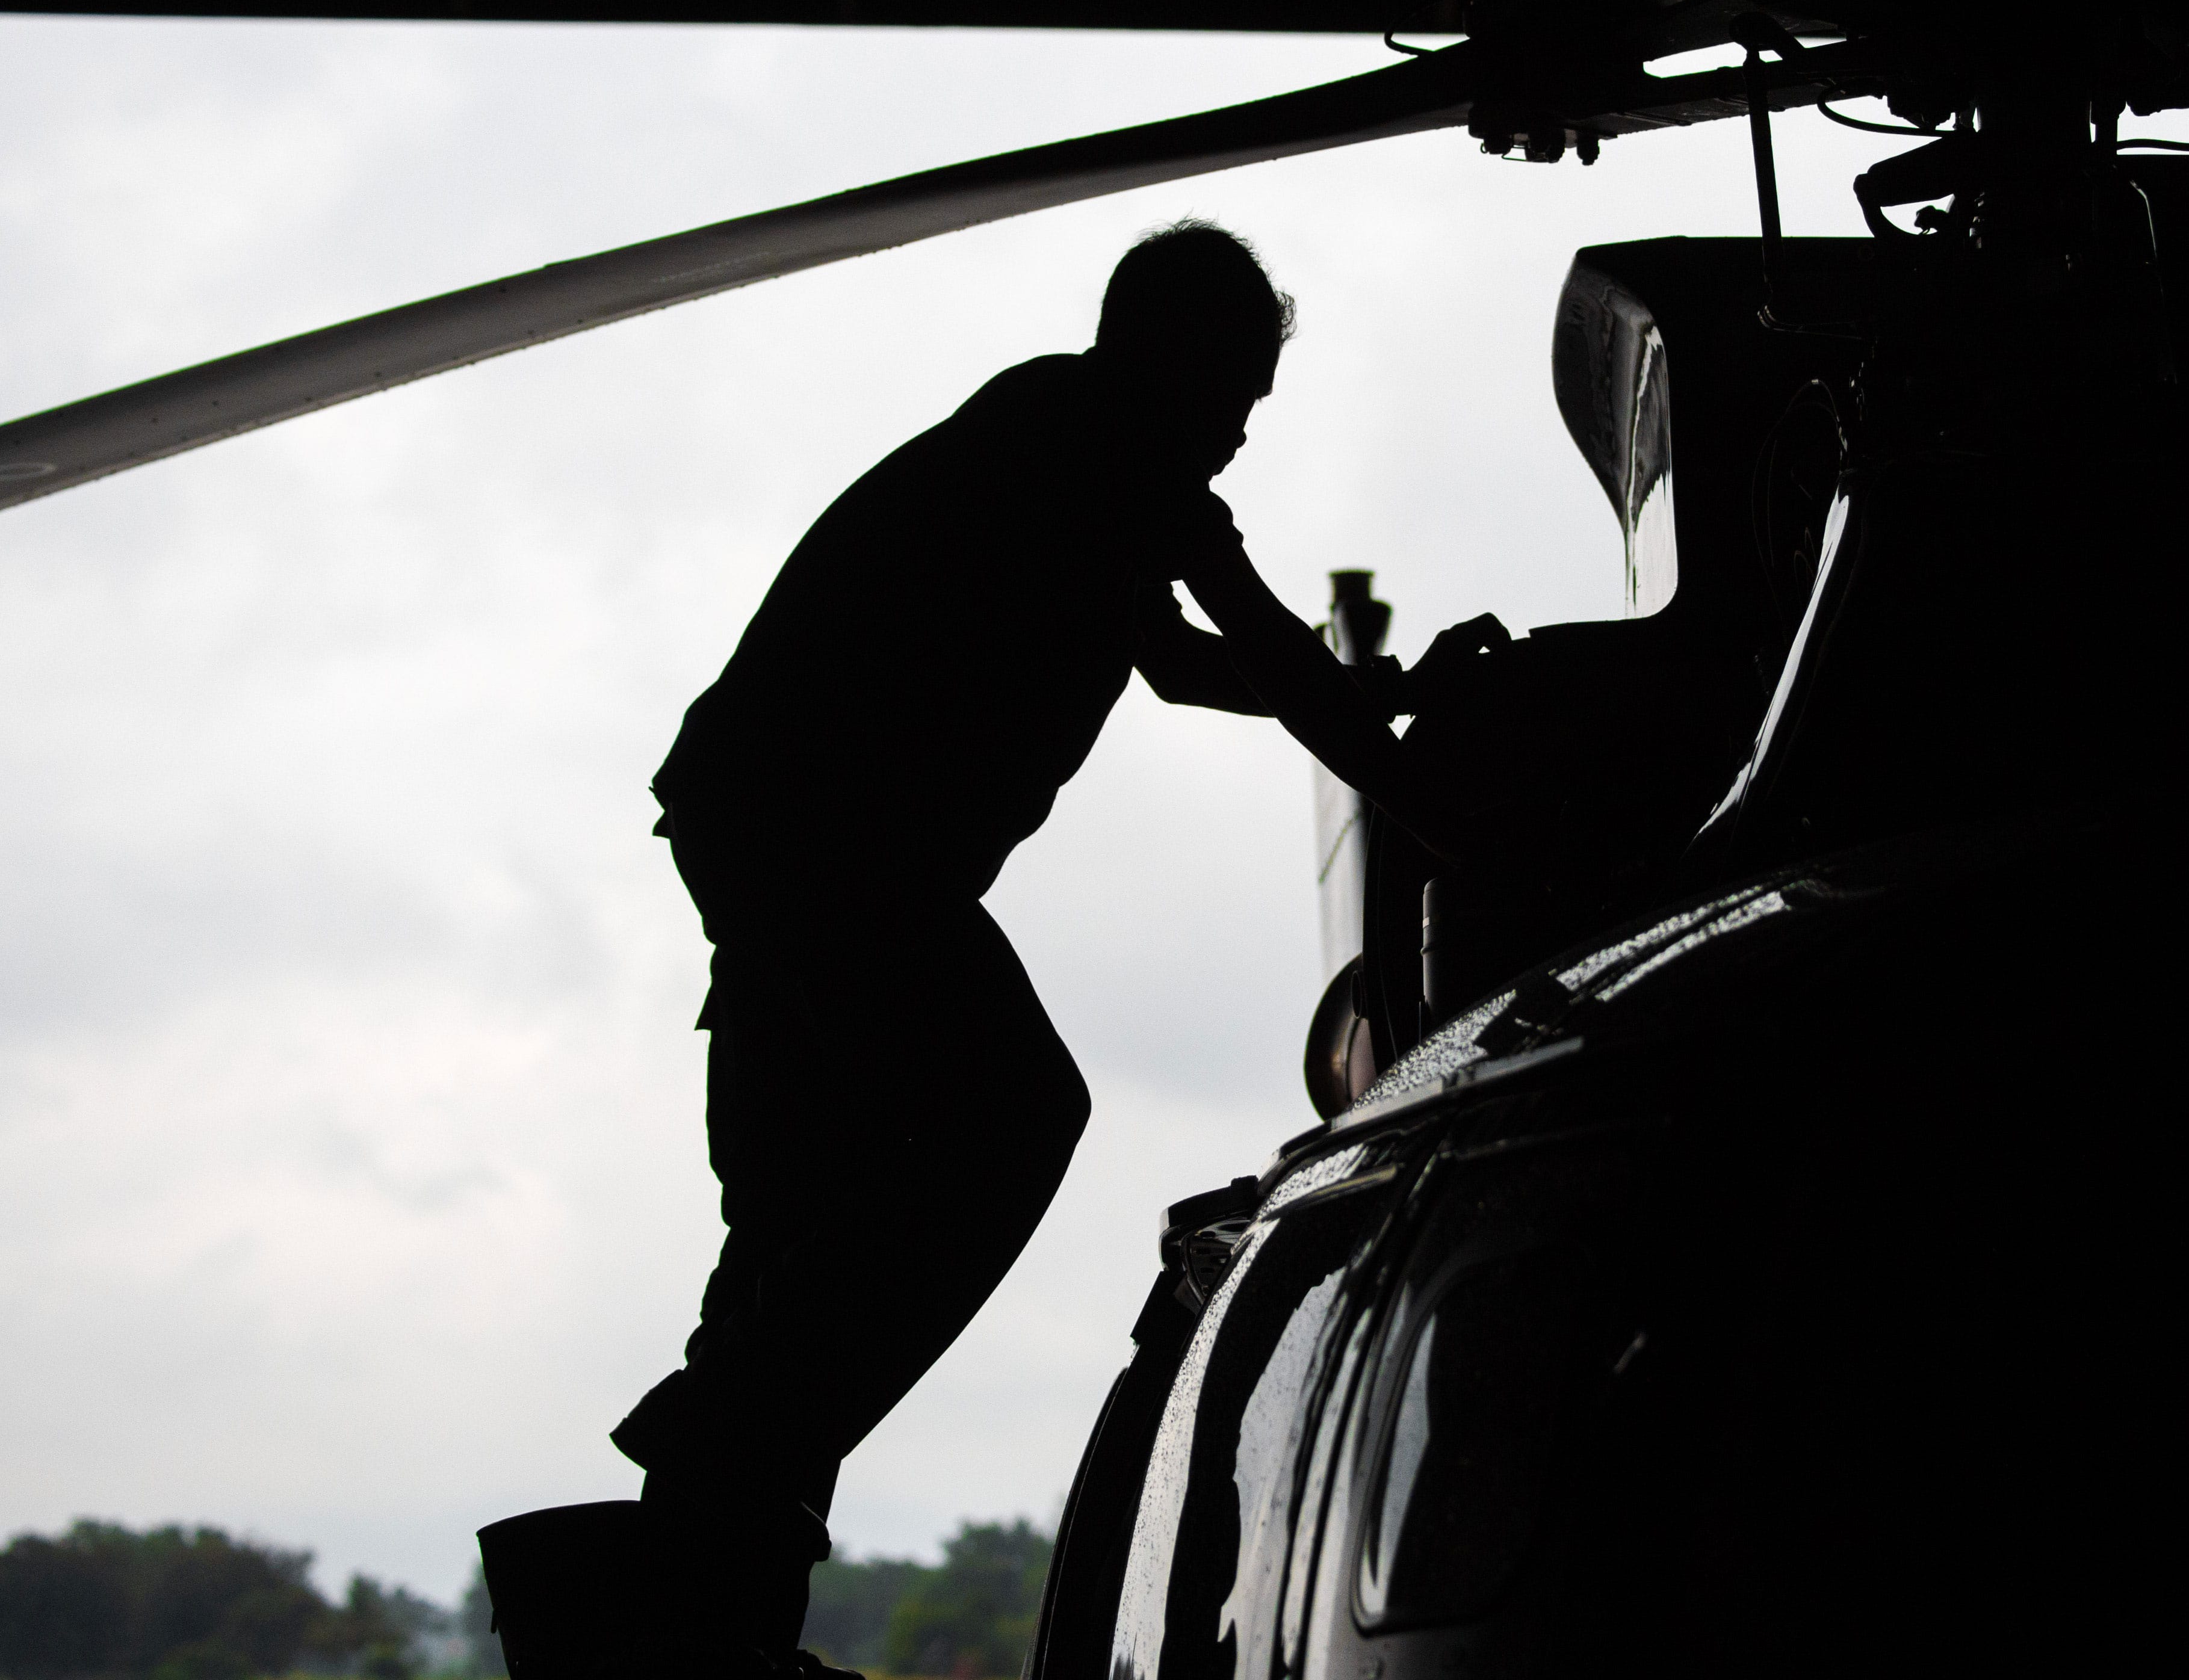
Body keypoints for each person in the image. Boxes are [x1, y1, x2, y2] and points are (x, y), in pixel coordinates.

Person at [479, 221, 1460, 1680]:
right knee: (1013, 1118)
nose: (1239, 437)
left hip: (776, 839)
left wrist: (1369, 688)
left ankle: (699, 1611)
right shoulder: (1109, 451)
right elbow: (1249, 640)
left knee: (801, 1219)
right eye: (1235, 397)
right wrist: (1420, 758)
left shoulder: (1059, 446)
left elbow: (1190, 661)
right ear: (1170, 360)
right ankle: (718, 1456)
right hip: (827, 852)